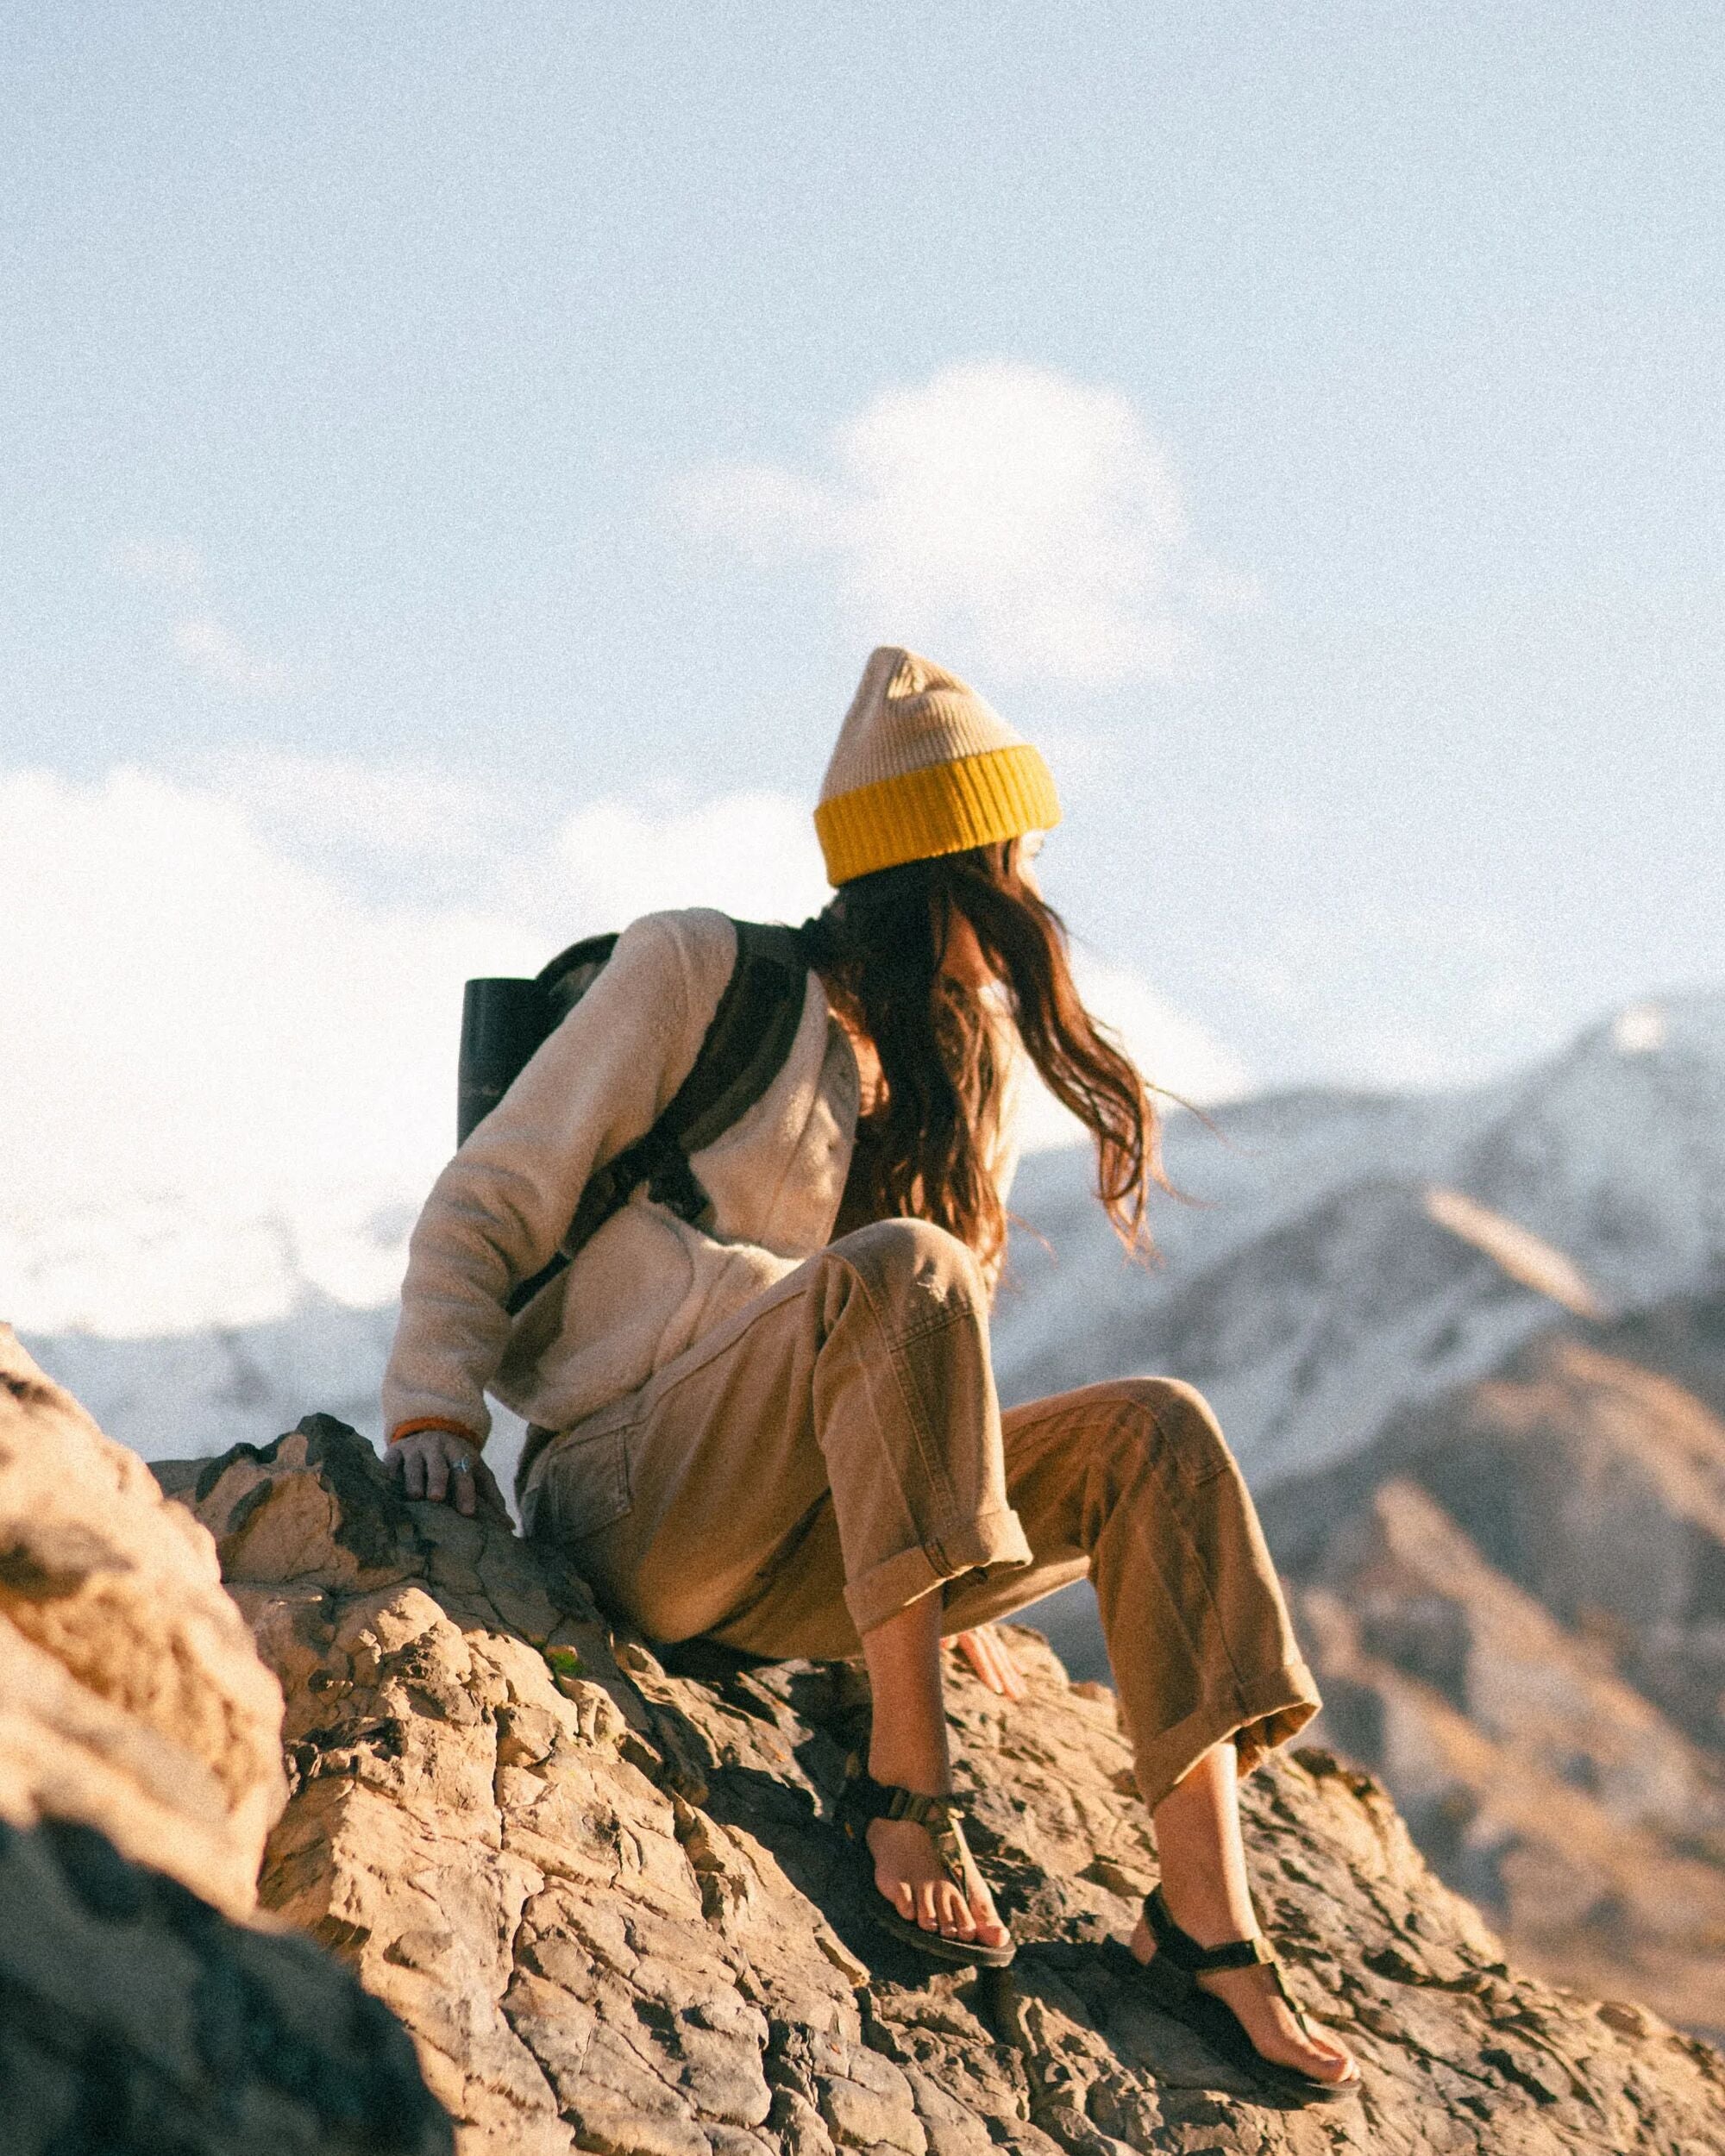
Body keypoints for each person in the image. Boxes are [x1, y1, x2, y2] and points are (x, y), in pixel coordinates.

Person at [382, 647, 1359, 2100]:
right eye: (1013, 859)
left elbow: (913, 1349)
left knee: (1158, 1429)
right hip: (633, 1499)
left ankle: (1209, 1930)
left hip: (804, 1553)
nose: (1036, 892)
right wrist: (431, 1415)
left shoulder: (941, 1067)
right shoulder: (697, 970)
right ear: (941, 870)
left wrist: (936, 1541)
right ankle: (910, 1785)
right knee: (908, 1261)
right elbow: (490, 1199)